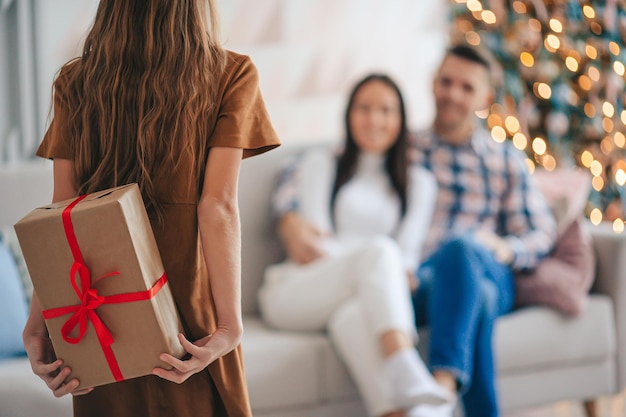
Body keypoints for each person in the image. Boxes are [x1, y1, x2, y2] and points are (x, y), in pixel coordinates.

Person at [21, 1, 280, 417]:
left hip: (100, 318)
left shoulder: (75, 80)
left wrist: (42, 320)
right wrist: (229, 326)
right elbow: (218, 206)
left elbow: (62, 215)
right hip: (187, 321)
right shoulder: (230, 74)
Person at [274, 45, 557, 417]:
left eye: (466, 87)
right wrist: (288, 218)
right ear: (433, 84)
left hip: (485, 265)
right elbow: (320, 165)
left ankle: (440, 386)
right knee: (479, 299)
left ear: (485, 98)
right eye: (445, 82)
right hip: (423, 282)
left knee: (466, 254)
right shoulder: (405, 147)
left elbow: (541, 231)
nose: (452, 94)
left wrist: (504, 250)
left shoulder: (504, 160)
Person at [258, 73, 452, 417]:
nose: (374, 119)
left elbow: (405, 265)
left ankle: (416, 410)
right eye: (364, 108)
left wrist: (377, 270)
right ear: (349, 114)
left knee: (354, 318)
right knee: (381, 252)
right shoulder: (322, 165)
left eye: (386, 110)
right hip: (298, 291)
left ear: (401, 120)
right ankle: (404, 361)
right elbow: (315, 250)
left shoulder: (420, 183)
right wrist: (373, 265)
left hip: (351, 302)